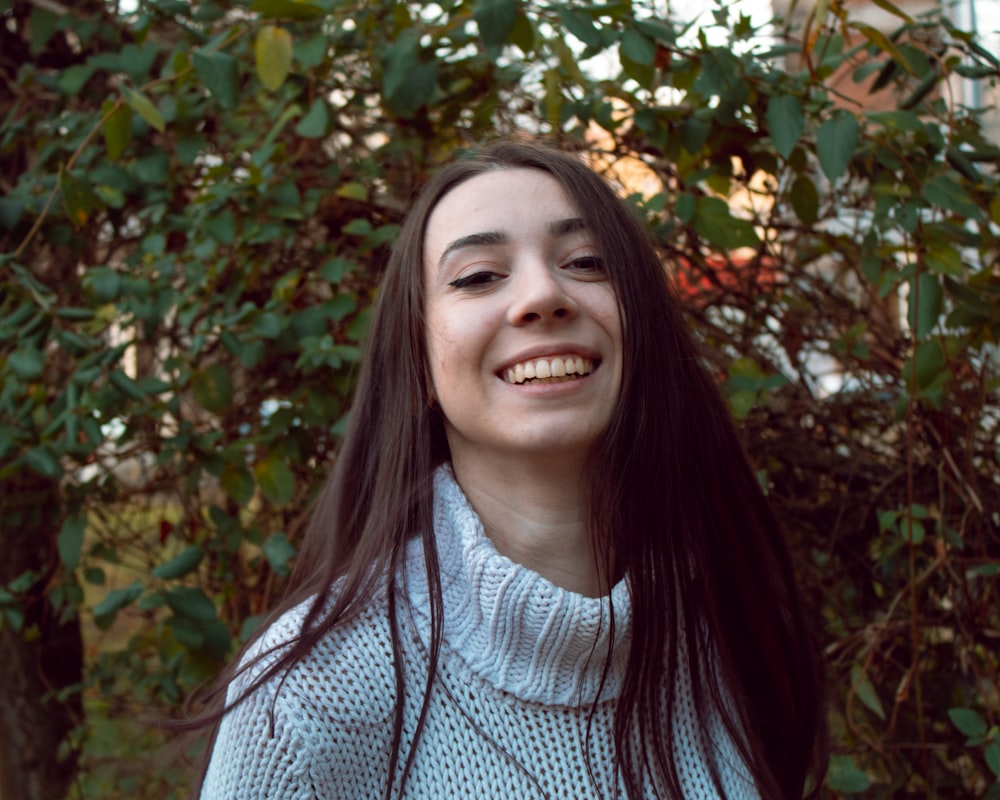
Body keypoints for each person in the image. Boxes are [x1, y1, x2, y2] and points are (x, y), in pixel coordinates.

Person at [195, 139, 827, 799]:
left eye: (586, 262)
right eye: (477, 276)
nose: (543, 296)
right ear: (418, 365)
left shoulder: (728, 628)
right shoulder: (311, 695)